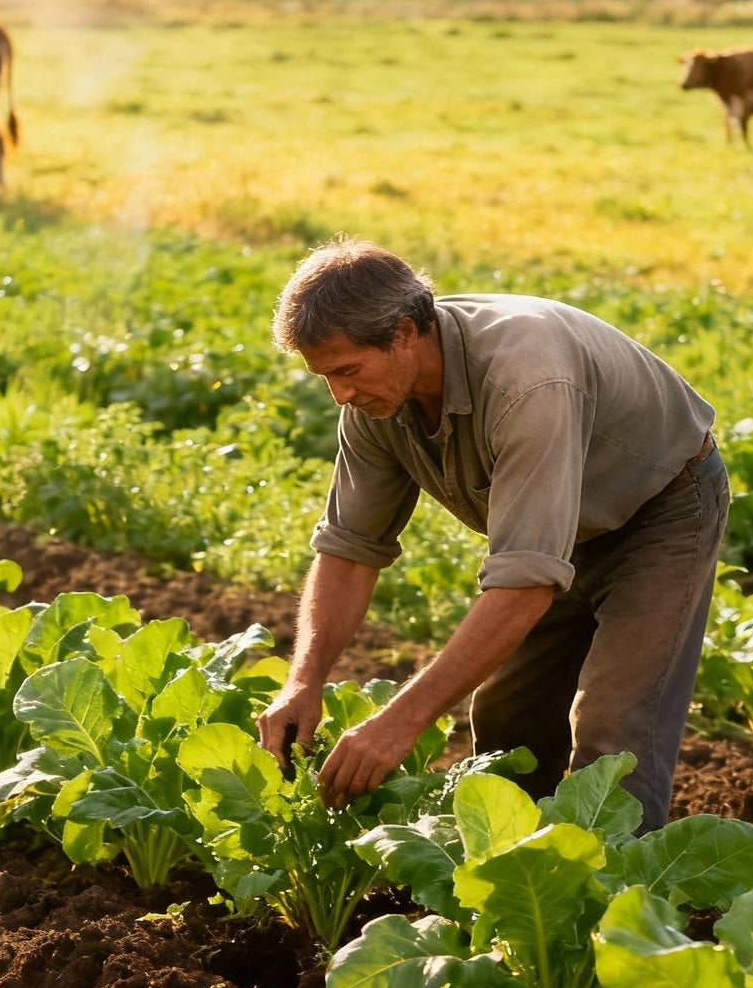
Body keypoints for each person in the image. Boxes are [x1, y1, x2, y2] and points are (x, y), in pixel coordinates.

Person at [257, 238, 728, 832]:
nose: (340, 395)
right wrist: (303, 681)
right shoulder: (375, 404)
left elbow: (526, 582)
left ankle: (620, 907)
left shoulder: (527, 381)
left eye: (348, 370)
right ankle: (519, 889)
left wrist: (403, 720)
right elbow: (351, 550)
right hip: (558, 525)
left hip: (658, 509)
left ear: (404, 333)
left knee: (616, 732)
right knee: (510, 720)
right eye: (326, 377)